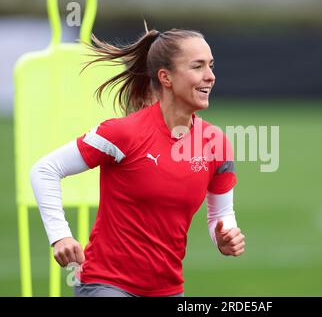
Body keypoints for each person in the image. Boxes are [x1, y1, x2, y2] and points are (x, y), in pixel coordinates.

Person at [30, 25, 245, 297]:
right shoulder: (123, 133)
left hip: (167, 290)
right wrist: (60, 235)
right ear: (166, 77)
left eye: (211, 66)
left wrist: (225, 236)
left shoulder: (216, 143)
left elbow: (220, 216)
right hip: (105, 285)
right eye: (198, 66)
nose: (210, 76)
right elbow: (45, 169)